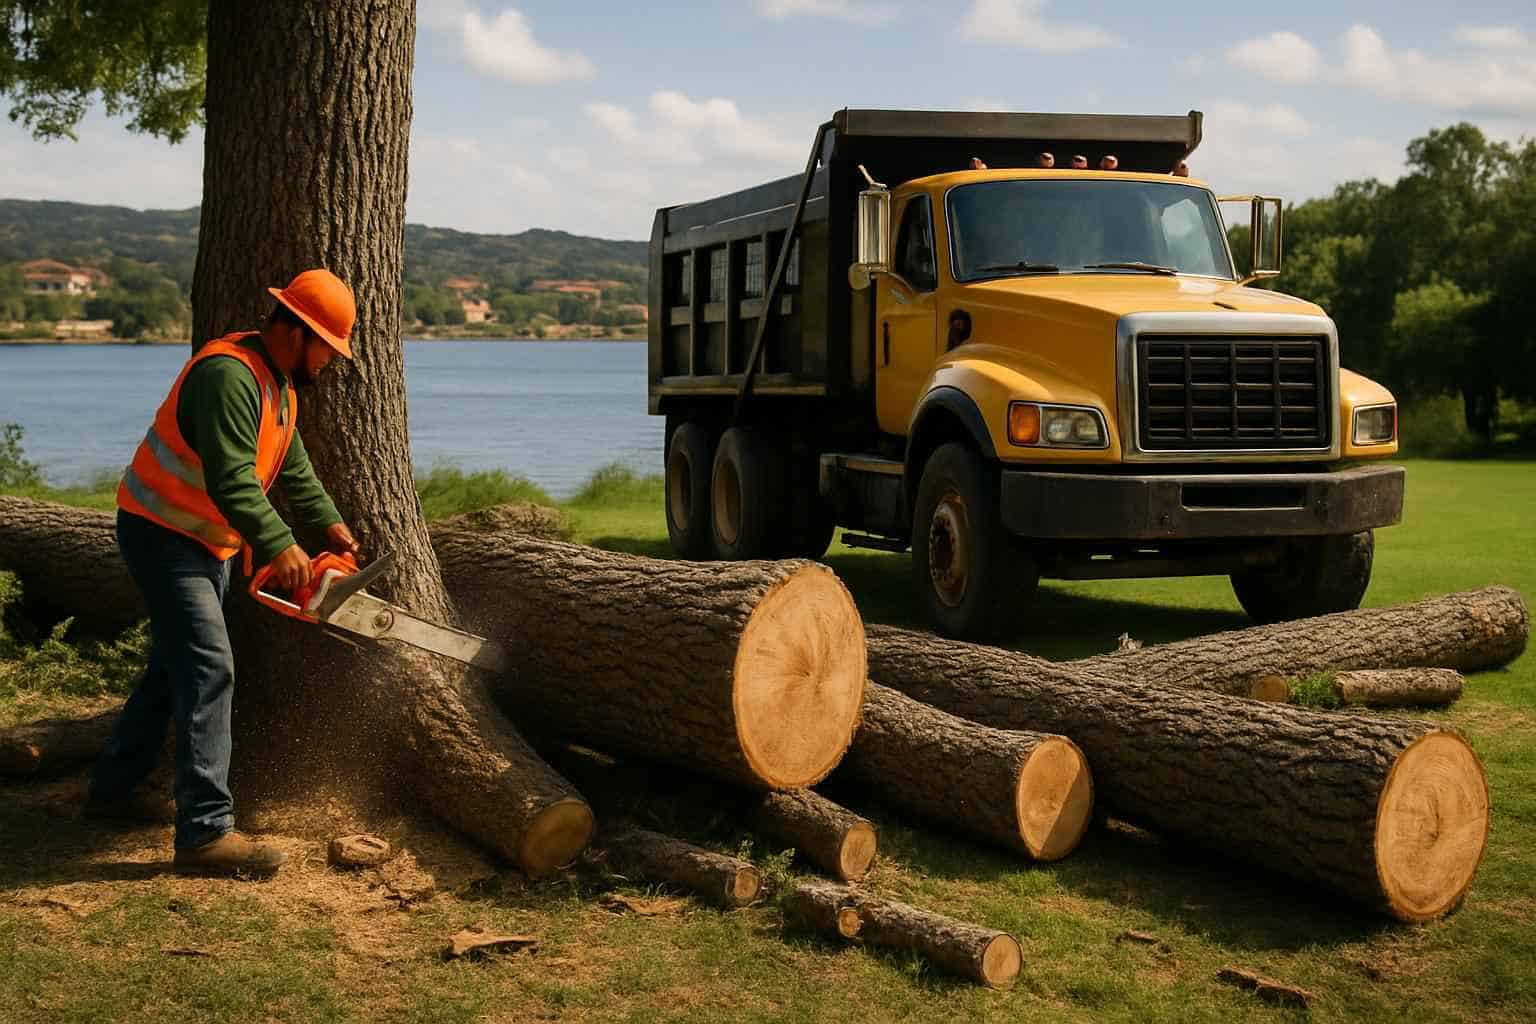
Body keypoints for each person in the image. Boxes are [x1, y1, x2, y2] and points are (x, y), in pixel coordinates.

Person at [89, 268, 360, 877]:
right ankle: (206, 833)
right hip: (163, 535)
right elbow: (232, 479)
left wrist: (331, 528)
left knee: (172, 668)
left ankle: (112, 789)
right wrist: (281, 545)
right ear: (299, 332)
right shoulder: (228, 376)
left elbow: (292, 466)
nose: (332, 362)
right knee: (210, 666)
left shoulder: (278, 386)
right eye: (329, 348)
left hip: (203, 544)